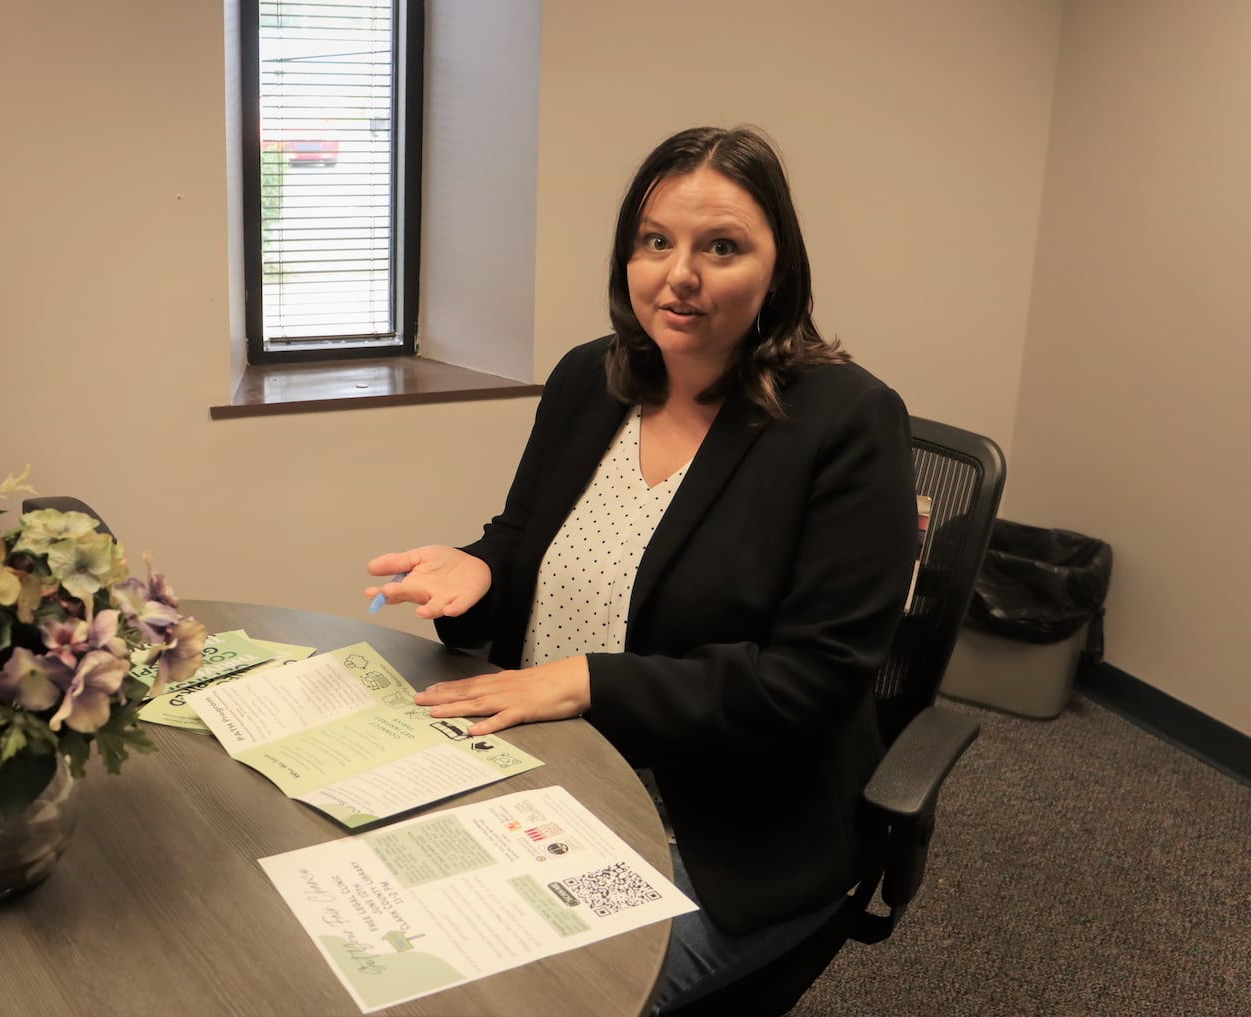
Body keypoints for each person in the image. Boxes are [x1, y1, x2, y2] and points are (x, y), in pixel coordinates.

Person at [364, 125, 916, 1013]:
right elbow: (521, 538)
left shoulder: (847, 424)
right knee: (380, 936)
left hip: (725, 823)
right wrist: (476, 572)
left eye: (722, 246)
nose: (679, 275)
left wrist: (587, 682)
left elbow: (811, 682)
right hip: (551, 771)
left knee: (530, 998)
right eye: (656, 241)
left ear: (779, 269)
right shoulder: (594, 378)